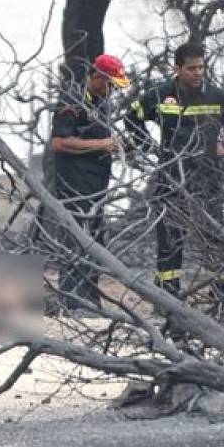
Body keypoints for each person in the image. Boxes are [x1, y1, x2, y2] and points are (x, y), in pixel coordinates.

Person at [124, 42, 224, 300]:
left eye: (201, 67)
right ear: (177, 69)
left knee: (214, 235)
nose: (198, 73)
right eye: (191, 68)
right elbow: (132, 117)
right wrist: (150, 148)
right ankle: (168, 297)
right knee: (169, 236)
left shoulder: (218, 96)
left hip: (208, 176)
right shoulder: (162, 94)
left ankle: (220, 295)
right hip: (172, 177)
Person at [49, 53, 130, 314]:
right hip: (74, 185)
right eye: (109, 85)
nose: (111, 92)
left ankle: (91, 299)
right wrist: (100, 144)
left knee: (95, 241)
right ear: (97, 77)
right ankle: (72, 302)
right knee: (75, 240)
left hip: (98, 186)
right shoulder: (71, 100)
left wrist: (116, 146)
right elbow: (60, 142)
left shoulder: (103, 103)